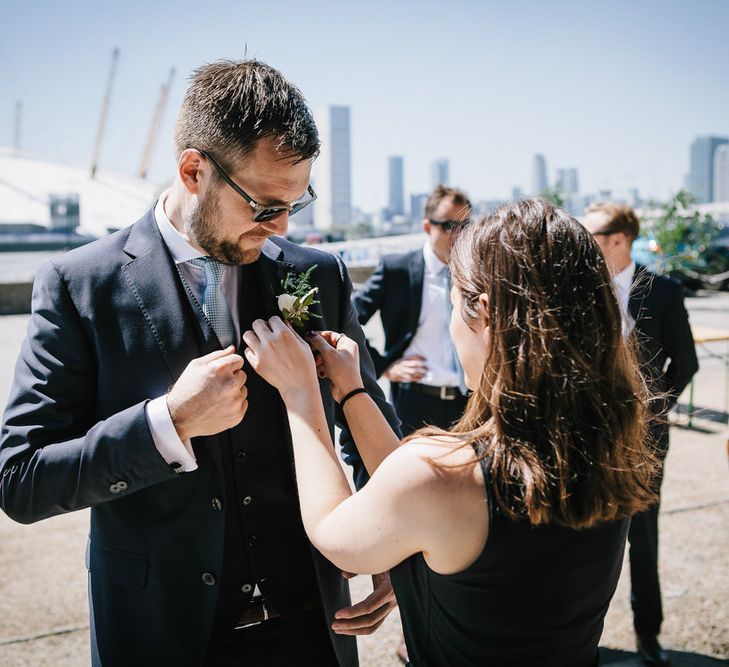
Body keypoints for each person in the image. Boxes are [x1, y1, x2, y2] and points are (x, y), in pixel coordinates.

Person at [0, 60, 400, 667]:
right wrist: (168, 422)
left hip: (313, 626)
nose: (283, 227)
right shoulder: (80, 285)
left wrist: (393, 542)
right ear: (194, 170)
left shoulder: (317, 273)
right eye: (265, 206)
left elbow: (361, 412)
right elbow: (22, 479)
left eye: (297, 203)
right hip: (161, 630)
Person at [244, 198, 659, 666]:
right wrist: (352, 390)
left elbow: (335, 531)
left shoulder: (444, 477)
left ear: (481, 311)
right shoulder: (605, 443)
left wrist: (299, 395)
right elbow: (408, 491)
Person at [583, 202, 699, 667]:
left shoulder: (665, 291)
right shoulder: (579, 290)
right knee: (583, 541)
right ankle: (580, 639)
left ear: (619, 238)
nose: (582, 242)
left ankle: (648, 635)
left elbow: (686, 362)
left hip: (646, 440)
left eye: (590, 235)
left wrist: (654, 408)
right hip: (586, 437)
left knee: (643, 539)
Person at [353, 185, 472, 437]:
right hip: (414, 402)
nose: (458, 235)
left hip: (469, 404)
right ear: (427, 227)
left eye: (465, 226)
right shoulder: (397, 270)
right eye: (449, 226)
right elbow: (347, 318)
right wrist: (383, 367)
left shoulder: (475, 273)